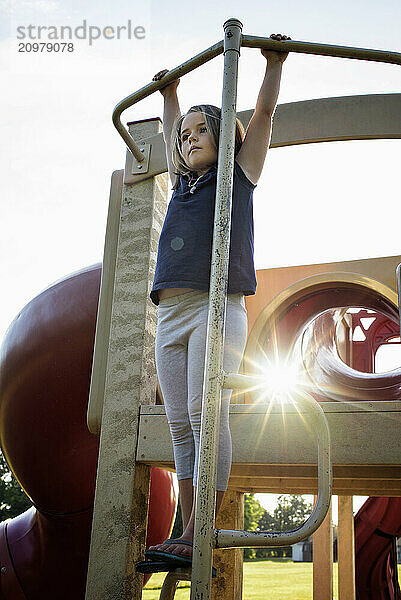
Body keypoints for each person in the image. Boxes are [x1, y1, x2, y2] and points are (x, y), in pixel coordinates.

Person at [141, 33, 289, 570]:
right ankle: (186, 529)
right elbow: (170, 127)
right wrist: (169, 96)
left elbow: (266, 114)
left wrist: (273, 64)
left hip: (215, 306)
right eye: (185, 135)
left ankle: (203, 518)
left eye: (204, 130)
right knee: (179, 423)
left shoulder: (237, 176)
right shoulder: (183, 184)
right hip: (171, 313)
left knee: (208, 415)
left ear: (227, 138)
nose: (189, 139)